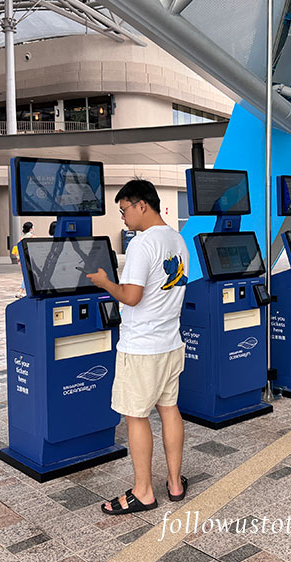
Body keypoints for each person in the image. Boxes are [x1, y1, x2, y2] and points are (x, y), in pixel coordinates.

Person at [87, 179, 190, 515]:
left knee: (135, 417)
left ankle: (143, 491)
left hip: (142, 348)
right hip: (171, 343)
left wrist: (105, 283)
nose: (123, 218)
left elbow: (131, 297)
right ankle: (175, 483)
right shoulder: (178, 240)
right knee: (169, 409)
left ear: (142, 204)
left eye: (124, 210)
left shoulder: (141, 244)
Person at [14, 222, 34, 298]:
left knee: (28, 276)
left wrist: (18, 258)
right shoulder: (32, 237)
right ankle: (20, 291)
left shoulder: (21, 239)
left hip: (22, 260)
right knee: (29, 276)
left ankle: (23, 291)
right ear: (30, 229)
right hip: (30, 260)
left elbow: (17, 250)